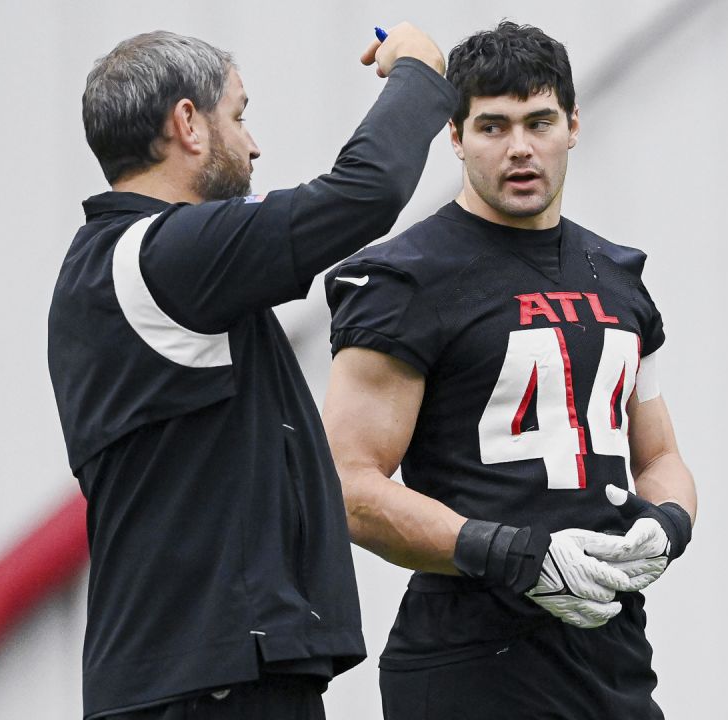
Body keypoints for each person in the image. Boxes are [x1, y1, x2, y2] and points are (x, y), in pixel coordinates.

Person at [47, 24, 456, 720]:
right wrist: (418, 71)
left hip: (184, 676)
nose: (254, 143)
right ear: (187, 124)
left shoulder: (108, 269)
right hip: (215, 684)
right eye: (238, 116)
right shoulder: (164, 257)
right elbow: (364, 192)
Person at [322, 20, 698, 719]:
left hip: (610, 654)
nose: (520, 148)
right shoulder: (404, 279)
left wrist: (669, 524)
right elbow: (347, 486)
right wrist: (514, 554)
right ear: (455, 137)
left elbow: (661, 454)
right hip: (472, 659)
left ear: (573, 124)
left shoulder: (618, 276)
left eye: (539, 120)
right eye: (493, 126)